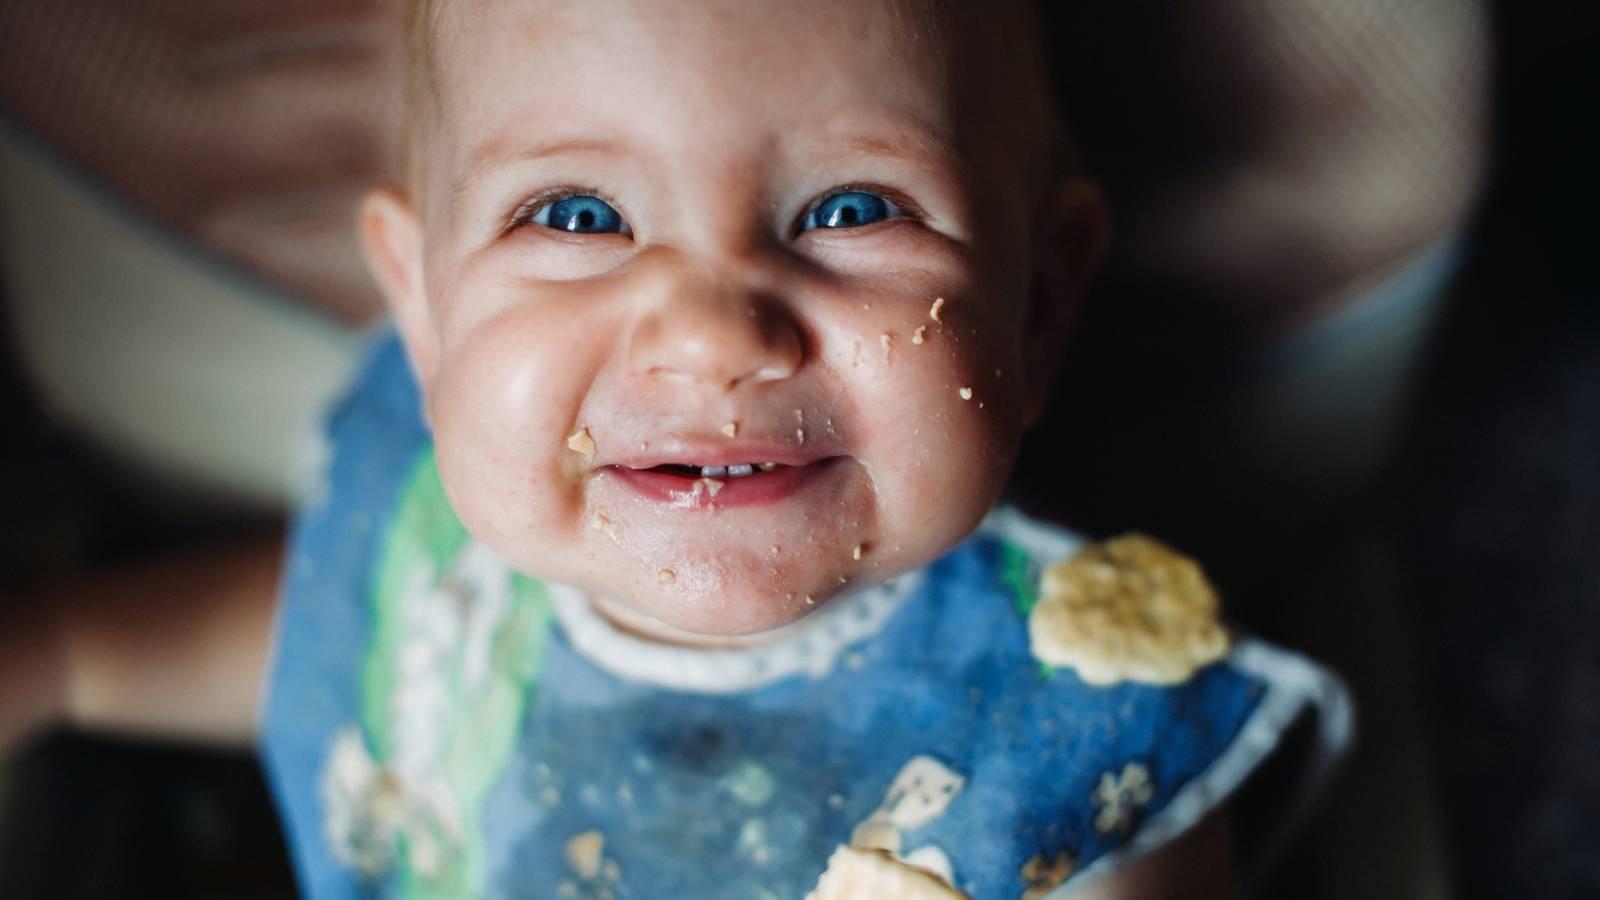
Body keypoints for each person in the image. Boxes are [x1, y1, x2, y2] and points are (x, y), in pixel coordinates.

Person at [1, 1, 1352, 896]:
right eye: (577, 214)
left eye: (852, 205)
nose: (711, 329)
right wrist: (65, 654)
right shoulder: (447, 536)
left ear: (1038, 304)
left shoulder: (1076, 745)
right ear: (420, 310)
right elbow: (347, 644)